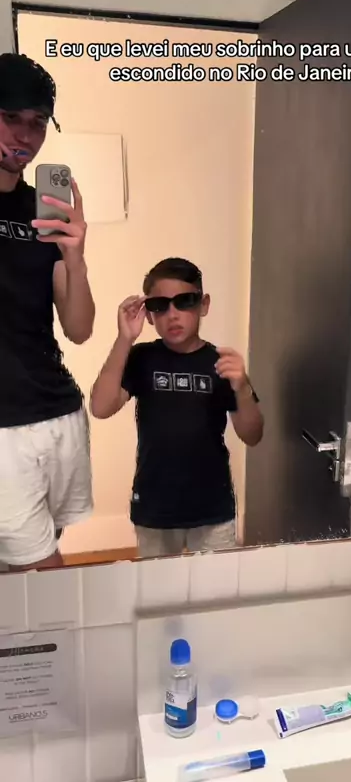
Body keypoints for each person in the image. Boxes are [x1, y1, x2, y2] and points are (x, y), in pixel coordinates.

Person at [90, 257, 263, 557]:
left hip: (212, 507)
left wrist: (243, 388)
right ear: (148, 314)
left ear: (203, 304)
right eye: (160, 305)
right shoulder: (142, 357)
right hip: (155, 505)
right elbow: (101, 407)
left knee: (215, 584)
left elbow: (252, 435)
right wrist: (124, 339)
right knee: (157, 583)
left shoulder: (221, 363)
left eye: (185, 301)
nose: (172, 315)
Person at [0, 53, 95, 571]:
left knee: (24, 568)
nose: (25, 135)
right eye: (9, 117)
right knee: (43, 574)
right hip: (3, 431)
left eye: (37, 122)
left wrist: (74, 257)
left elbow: (79, 329)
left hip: (58, 413)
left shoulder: (44, 209)